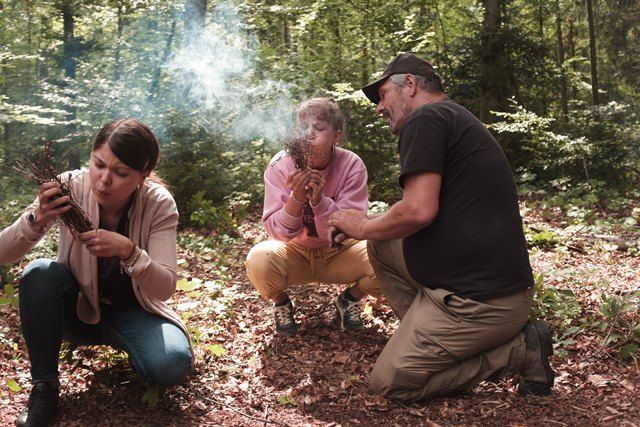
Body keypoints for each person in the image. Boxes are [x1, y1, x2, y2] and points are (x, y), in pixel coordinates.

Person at [328, 53, 555, 401]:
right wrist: (367, 224)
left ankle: (520, 350)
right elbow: (419, 207)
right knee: (382, 244)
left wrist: (360, 224)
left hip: (482, 303)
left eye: (383, 95)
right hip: (480, 288)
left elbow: (418, 212)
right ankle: (423, 338)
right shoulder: (450, 117)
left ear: (410, 84)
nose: (379, 108)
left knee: (390, 383)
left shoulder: (426, 118)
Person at [0, 119, 192, 426]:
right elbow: (3, 253)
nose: (104, 181)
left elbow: (165, 287)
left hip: (135, 313)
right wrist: (38, 218)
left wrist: (129, 252)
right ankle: (44, 387)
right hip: (77, 309)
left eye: (121, 173)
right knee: (39, 272)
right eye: (98, 164)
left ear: (143, 175)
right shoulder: (70, 187)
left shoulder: (157, 203)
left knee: (171, 364)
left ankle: (133, 346)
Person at [245, 97, 381, 336]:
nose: (309, 134)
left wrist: (319, 202)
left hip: (340, 251)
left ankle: (349, 299)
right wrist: (296, 198)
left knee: (387, 258)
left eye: (319, 128)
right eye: (303, 127)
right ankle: (281, 303)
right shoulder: (280, 165)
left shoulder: (351, 165)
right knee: (259, 259)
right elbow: (277, 233)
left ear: (336, 136)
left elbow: (349, 228)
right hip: (295, 252)